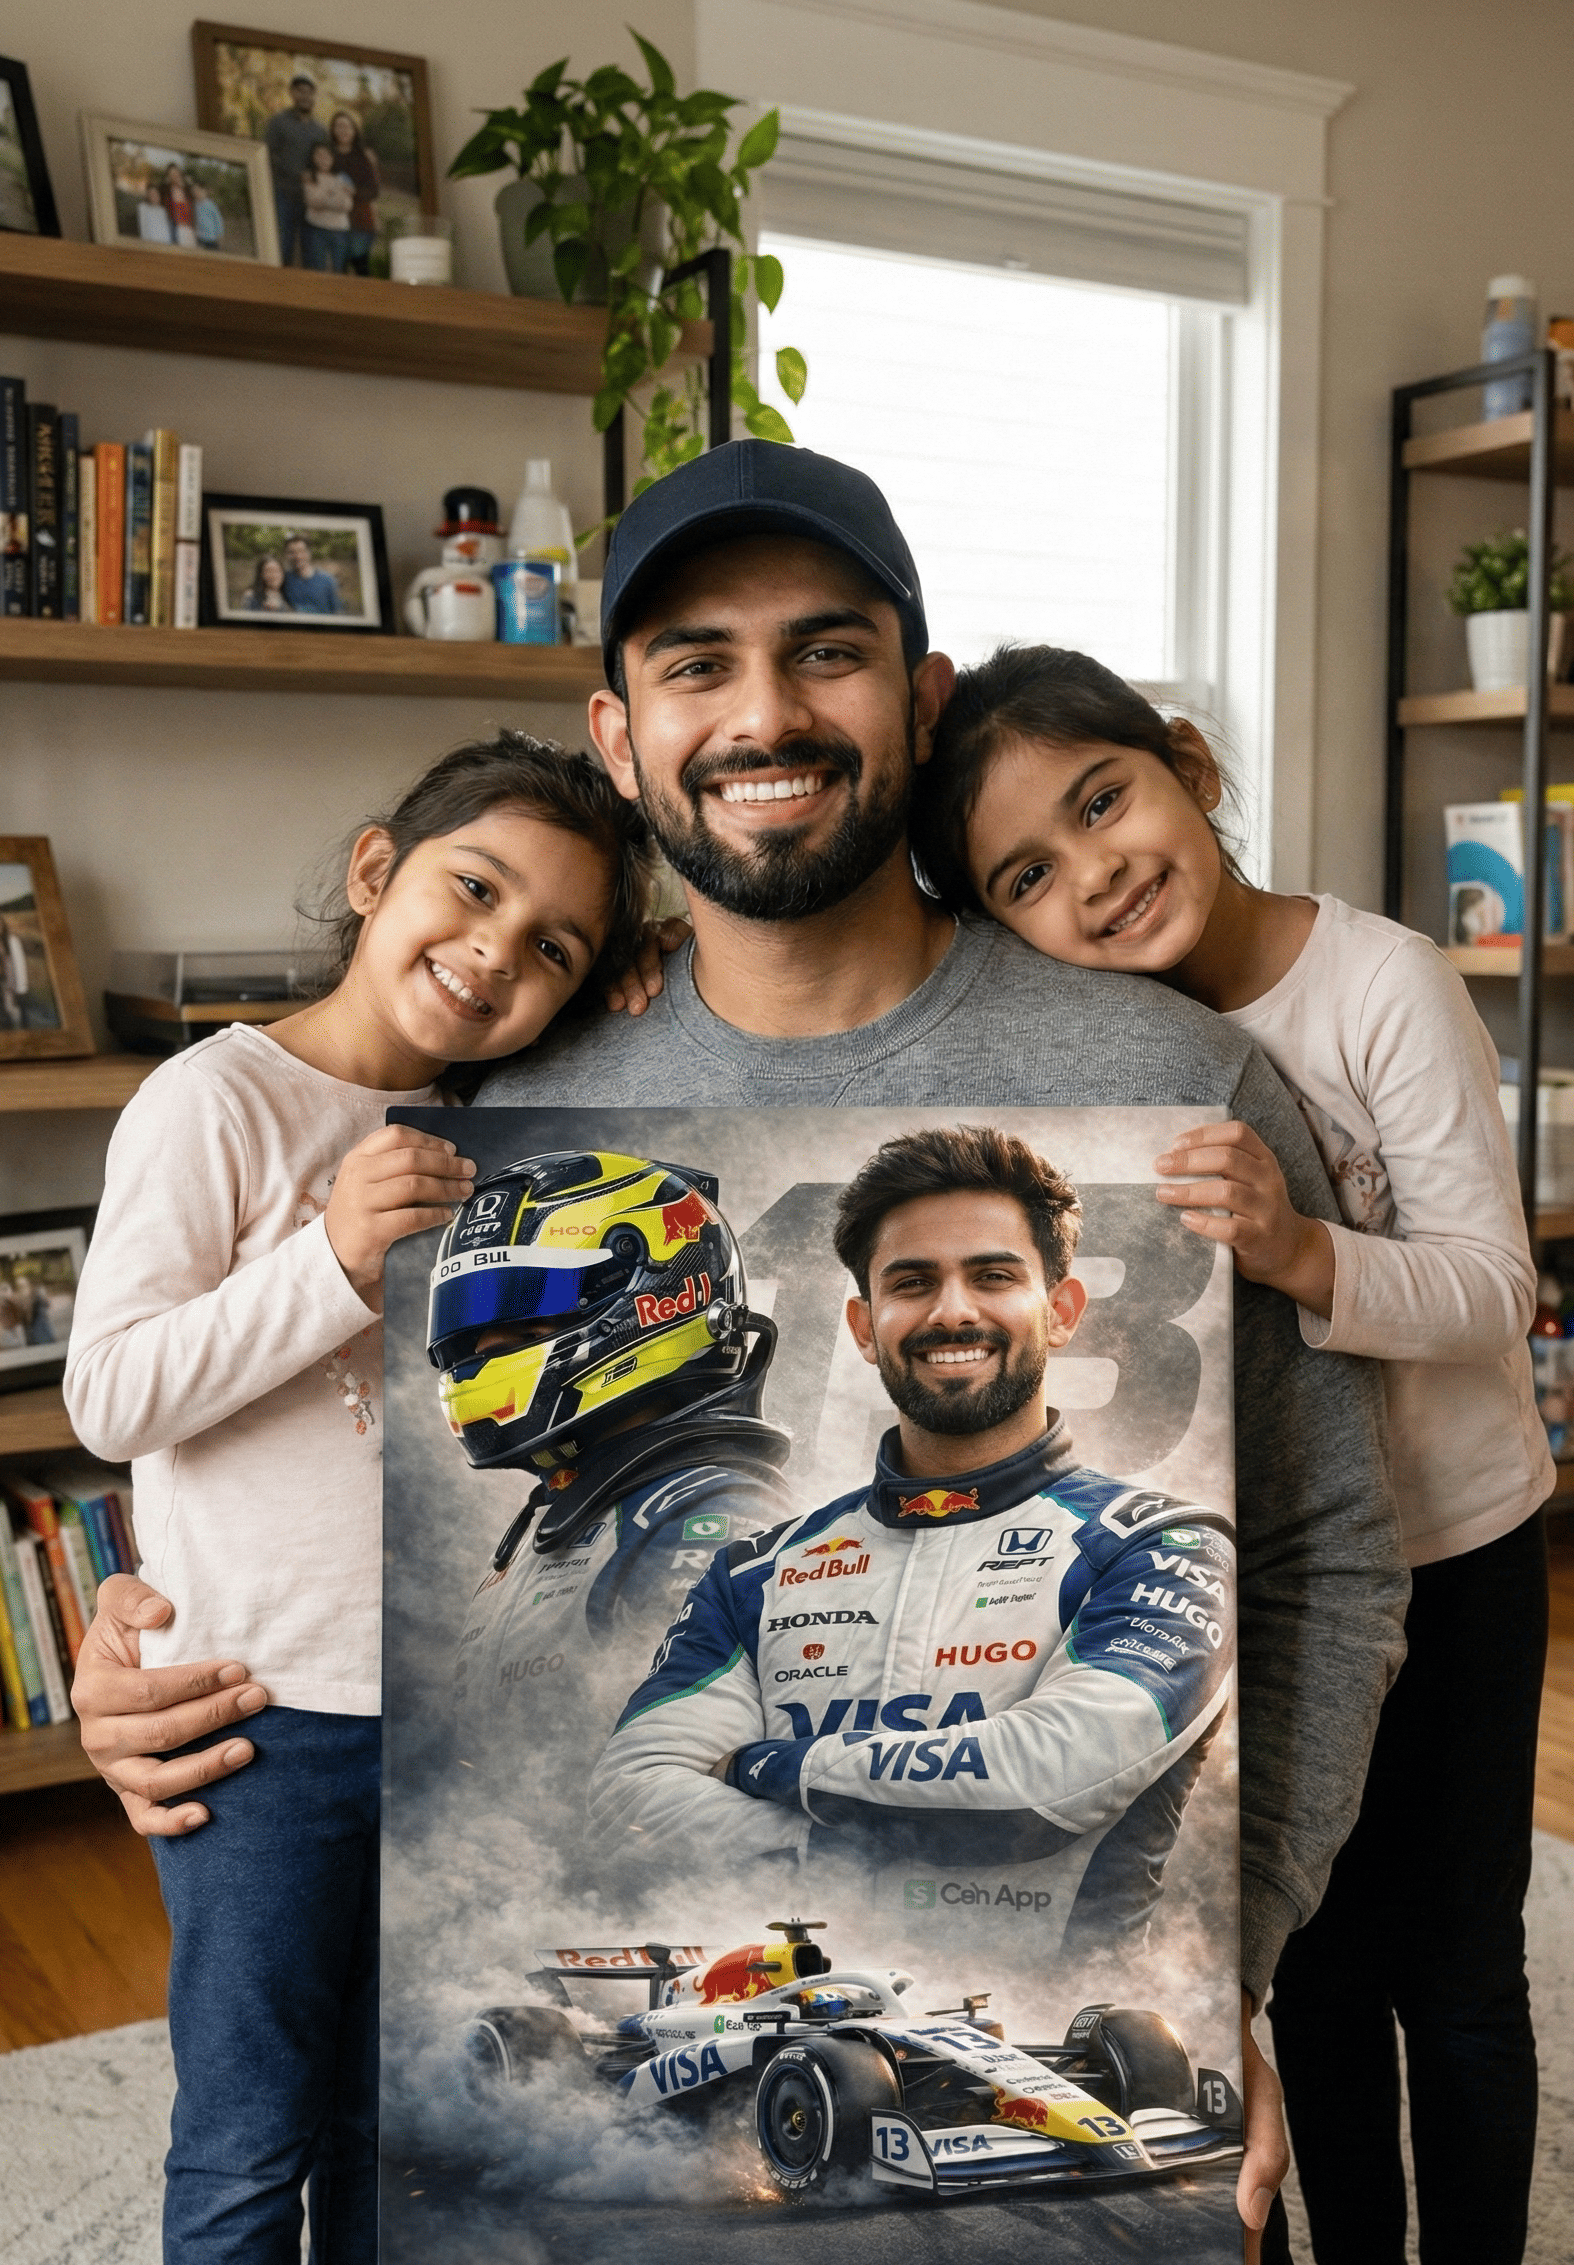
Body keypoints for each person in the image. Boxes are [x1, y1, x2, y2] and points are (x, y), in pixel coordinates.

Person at [71, 443, 1406, 2263]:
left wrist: (1217, 1954)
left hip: (1052, 2017)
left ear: (921, 701)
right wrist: (140, 1636)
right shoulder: (499, 1109)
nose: (761, 712)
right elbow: (296, 1425)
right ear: (618, 738)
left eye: (824, 650)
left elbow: (1327, 1554)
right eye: (695, 662)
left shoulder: (1176, 1080)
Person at [908, 640, 1551, 2265]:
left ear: (1188, 767)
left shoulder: (1377, 981)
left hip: (1455, 1553)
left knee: (1454, 1967)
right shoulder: (1100, 1048)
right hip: (1268, 1574)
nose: (1096, 872)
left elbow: (1494, 1290)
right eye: (1028, 874)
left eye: (1102, 798)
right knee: (1309, 1958)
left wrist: (1299, 1253)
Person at [63, 732, 654, 2265]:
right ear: (374, 870)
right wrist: (326, 1266)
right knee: (249, 2130)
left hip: (450, 1718)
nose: (491, 953)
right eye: (470, 889)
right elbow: (111, 1394)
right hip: (252, 1718)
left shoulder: (502, 1125)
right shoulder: (218, 1102)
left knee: (390, 2134)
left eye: (552, 948)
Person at [594, 1124, 1236, 1961]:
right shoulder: (754, 1571)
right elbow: (630, 1801)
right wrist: (861, 1843)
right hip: (790, 2045)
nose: (953, 1309)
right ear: (865, 1326)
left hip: (1063, 2060)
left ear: (1063, 1311)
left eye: (994, 1275)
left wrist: (771, 1769)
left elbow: (1040, 1787)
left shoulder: (1160, 1546)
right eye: (913, 1281)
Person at [437, 1149, 797, 1760]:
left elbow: (679, 1772)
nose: (484, 1350)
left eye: (527, 1318)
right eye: (469, 1326)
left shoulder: (713, 1512)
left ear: (656, 1296)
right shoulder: (564, 1508)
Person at [264, 75, 328, 267]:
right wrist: (292, 172)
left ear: (314, 96)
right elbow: (266, 155)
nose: (305, 96)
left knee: (313, 254)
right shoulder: (278, 122)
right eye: (300, 91)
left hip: (311, 200)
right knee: (283, 249)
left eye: (309, 92)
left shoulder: (320, 130)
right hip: (284, 194)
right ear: (292, 93)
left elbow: (326, 161)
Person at [329, 109, 381, 277]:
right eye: (339, 126)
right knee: (339, 269)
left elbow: (373, 191)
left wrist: (354, 192)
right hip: (335, 222)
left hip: (360, 222)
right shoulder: (325, 156)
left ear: (354, 131)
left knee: (361, 268)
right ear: (333, 130)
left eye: (347, 126)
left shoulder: (364, 157)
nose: (343, 130)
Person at [301, 141, 354, 275]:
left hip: (339, 231)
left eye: (327, 155)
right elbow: (312, 202)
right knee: (317, 270)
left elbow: (346, 205)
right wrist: (334, 194)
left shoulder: (343, 177)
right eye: (319, 155)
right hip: (316, 229)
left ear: (333, 157)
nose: (323, 159)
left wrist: (323, 197)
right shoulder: (308, 176)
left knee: (339, 270)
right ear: (313, 157)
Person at [282, 533, 342, 614]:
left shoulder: (328, 580)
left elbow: (338, 612)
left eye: (301, 551)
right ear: (286, 555)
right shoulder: (283, 579)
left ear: (309, 553)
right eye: (292, 552)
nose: (297, 556)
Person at [163, 168, 196, 250]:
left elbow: (194, 207)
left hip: (190, 227)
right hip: (177, 228)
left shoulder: (188, 190)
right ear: (169, 178)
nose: (175, 176)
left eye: (176, 174)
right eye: (172, 175)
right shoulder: (167, 191)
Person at [190, 181, 224, 252]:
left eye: (198, 190)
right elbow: (195, 219)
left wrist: (220, 233)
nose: (197, 193)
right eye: (194, 191)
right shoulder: (195, 205)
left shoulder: (211, 204)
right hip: (200, 237)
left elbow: (218, 219)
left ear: (204, 191)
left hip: (211, 237)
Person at [136, 179, 172, 245]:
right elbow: (143, 229)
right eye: (151, 194)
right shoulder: (143, 207)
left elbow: (167, 231)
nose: (153, 195)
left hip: (165, 244)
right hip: (151, 245)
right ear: (147, 196)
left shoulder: (163, 210)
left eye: (155, 193)